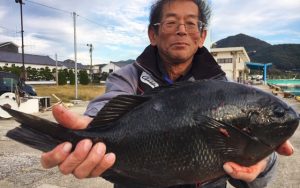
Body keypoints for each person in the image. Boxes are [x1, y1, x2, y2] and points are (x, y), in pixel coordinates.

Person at [41, 0, 294, 187]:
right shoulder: (126, 77)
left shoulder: (223, 89)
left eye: (191, 24)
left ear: (201, 36)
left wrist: (262, 164)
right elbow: (108, 105)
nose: (181, 30)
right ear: (153, 34)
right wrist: (91, 131)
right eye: (171, 22)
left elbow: (253, 181)